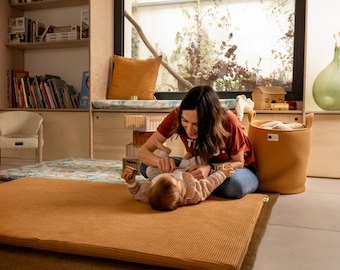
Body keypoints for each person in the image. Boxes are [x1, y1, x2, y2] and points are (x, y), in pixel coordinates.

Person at [136, 85, 259, 199]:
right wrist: (160, 162)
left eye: (196, 124)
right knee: (145, 166)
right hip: (194, 166)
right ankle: (195, 184)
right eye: (185, 121)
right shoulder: (177, 114)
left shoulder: (229, 122)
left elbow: (238, 162)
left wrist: (211, 169)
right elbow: (143, 152)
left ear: (210, 120)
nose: (189, 130)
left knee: (233, 186)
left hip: (236, 169)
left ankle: (192, 184)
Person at [121, 141, 234, 211]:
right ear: (180, 198)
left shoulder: (150, 194)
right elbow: (210, 183)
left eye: (168, 176)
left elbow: (137, 193)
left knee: (149, 170)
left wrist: (132, 182)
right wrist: (222, 173)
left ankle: (165, 152)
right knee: (195, 164)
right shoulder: (193, 193)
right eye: (175, 180)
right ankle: (187, 160)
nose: (173, 176)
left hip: (167, 171)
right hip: (187, 172)